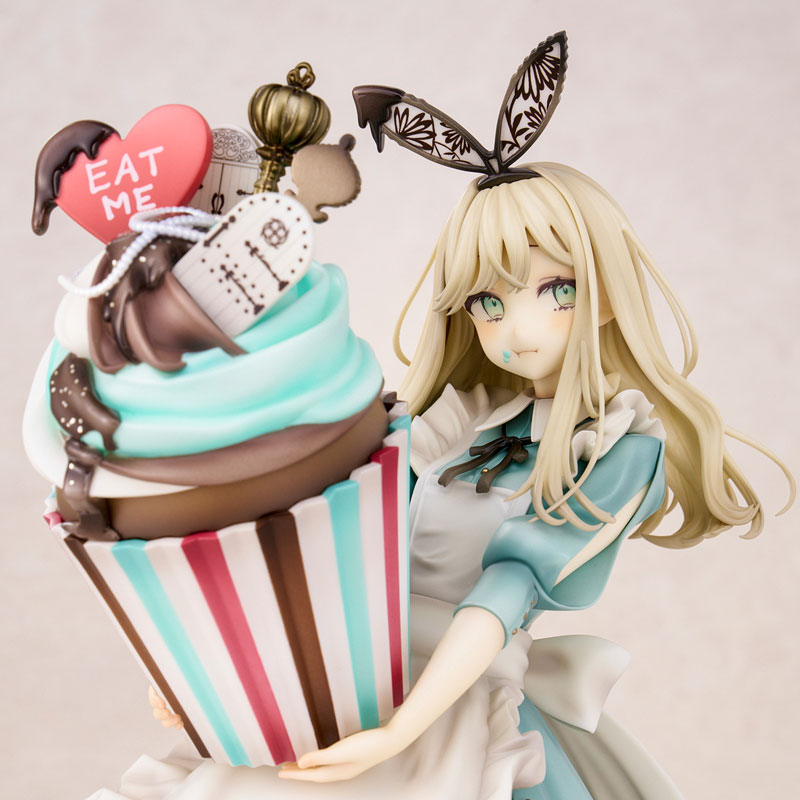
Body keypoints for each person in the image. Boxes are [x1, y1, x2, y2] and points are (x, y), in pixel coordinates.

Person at [112, 34, 794, 800]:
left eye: (556, 290)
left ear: (606, 291)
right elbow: (336, 554)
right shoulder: (454, 423)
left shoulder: (618, 449)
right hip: (355, 683)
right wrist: (215, 677)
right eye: (488, 302)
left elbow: (505, 593)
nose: (517, 328)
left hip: (453, 702)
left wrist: (404, 730)